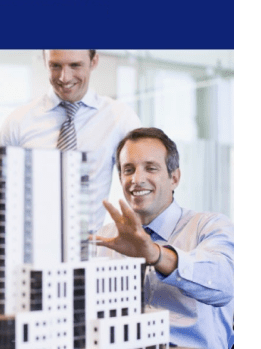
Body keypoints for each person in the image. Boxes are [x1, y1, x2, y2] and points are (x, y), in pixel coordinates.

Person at [93, 128, 234, 349]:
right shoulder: (107, 237)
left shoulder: (209, 226)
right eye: (128, 170)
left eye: (151, 168)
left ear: (174, 178)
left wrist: (156, 255)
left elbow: (224, 284)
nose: (137, 180)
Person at [0, 50, 141, 231]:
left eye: (75, 65)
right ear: (45, 61)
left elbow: (142, 180)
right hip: (28, 248)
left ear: (94, 61)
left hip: (90, 248)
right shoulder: (18, 121)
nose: (64, 78)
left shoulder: (120, 118)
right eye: (55, 66)